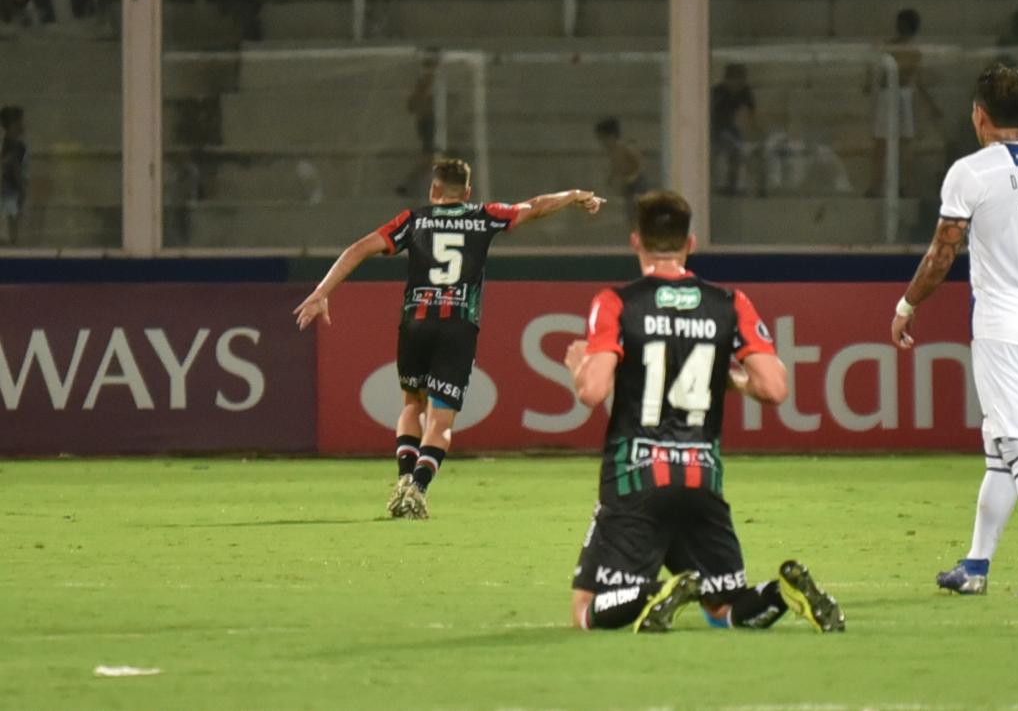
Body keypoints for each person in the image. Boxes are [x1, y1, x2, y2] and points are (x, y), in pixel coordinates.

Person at [563, 190, 845, 632]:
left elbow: (593, 392)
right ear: (690, 242)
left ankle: (653, 593)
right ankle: (780, 593)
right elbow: (774, 388)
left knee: (584, 610)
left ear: (635, 241)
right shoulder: (730, 303)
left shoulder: (617, 302)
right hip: (702, 477)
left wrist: (580, 366)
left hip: (635, 477)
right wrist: (730, 377)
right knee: (725, 610)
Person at [294, 159, 604, 518]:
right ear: (467, 193)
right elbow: (533, 207)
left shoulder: (413, 220)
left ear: (433, 190)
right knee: (441, 421)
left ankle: (403, 482)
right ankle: (418, 489)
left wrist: (322, 291)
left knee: (412, 404)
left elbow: (358, 248)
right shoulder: (484, 216)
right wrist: (575, 195)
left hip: (416, 323)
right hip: (458, 325)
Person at [889, 64, 1018, 597]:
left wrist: (909, 303)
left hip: (1003, 323)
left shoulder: (971, 173)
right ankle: (975, 566)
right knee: (1000, 445)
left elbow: (942, 251)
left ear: (979, 115)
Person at [864, 9, 943, 198]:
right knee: (882, 143)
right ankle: (876, 186)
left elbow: (915, 79)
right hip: (887, 97)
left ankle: (904, 186)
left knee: (905, 144)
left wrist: (932, 104)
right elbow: (877, 74)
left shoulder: (913, 52)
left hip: (902, 98)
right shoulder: (888, 49)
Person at [710, 64, 762, 196]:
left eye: (740, 81)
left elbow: (751, 111)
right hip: (714, 127)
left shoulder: (745, 91)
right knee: (718, 155)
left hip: (728, 127)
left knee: (736, 154)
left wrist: (756, 129)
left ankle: (731, 185)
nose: (737, 86)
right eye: (734, 81)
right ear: (727, 80)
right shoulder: (718, 92)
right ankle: (716, 184)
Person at [396, 55, 439, 197]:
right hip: (427, 123)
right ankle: (408, 185)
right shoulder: (425, 83)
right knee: (428, 160)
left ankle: (413, 185)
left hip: (426, 123)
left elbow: (411, 105)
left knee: (430, 160)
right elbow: (412, 105)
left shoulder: (424, 83)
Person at [594, 117, 649, 224]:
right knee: (630, 214)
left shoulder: (625, 147)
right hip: (627, 185)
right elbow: (615, 169)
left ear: (611, 136)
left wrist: (634, 175)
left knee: (637, 212)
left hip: (637, 183)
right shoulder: (612, 153)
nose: (602, 143)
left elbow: (639, 162)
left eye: (603, 139)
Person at [0, 105, 28, 245]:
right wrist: (22, 189)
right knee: (13, 227)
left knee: (11, 224)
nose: (23, 125)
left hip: (9, 190)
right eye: (20, 122)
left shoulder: (6, 144)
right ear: (13, 124)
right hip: (12, 191)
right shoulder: (16, 146)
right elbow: (13, 167)